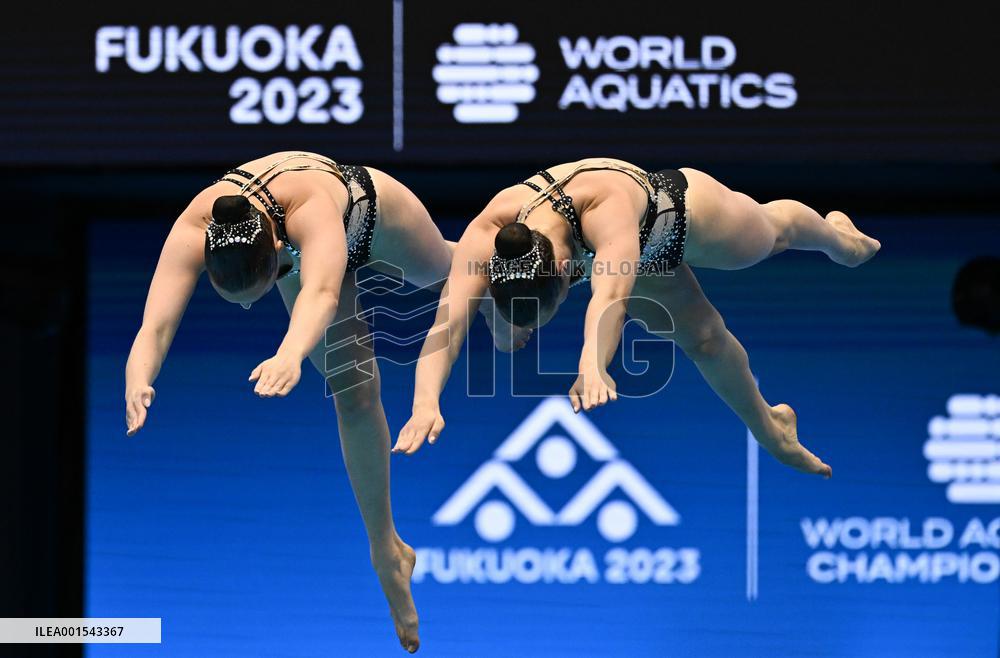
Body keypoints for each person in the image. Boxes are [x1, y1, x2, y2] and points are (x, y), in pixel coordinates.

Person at [124, 151, 449, 653]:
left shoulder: (309, 210)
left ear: (275, 247)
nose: (253, 305)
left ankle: (564, 266)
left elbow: (319, 294)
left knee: (453, 272)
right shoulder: (194, 227)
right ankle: (386, 550)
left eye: (266, 283)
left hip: (367, 216)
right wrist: (138, 379)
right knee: (355, 391)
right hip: (300, 261)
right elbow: (155, 326)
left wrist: (290, 355)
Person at [394, 158, 881, 477]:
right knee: (705, 339)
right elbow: (444, 327)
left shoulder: (603, 212)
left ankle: (841, 239)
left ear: (567, 273)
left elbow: (608, 298)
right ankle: (770, 426)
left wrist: (593, 365)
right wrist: (424, 403)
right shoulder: (488, 233)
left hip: (675, 218)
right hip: (598, 256)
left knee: (770, 236)